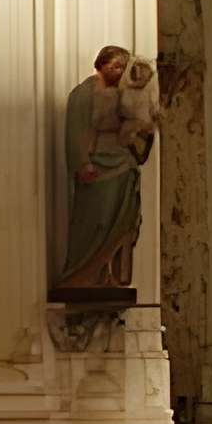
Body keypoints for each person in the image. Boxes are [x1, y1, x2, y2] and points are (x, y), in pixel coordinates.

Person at [55, 44, 146, 291]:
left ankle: (113, 275)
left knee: (123, 220)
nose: (118, 72)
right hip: (96, 164)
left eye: (122, 67)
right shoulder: (83, 94)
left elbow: (137, 126)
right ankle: (83, 274)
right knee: (96, 220)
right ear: (101, 65)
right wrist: (82, 162)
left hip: (121, 162)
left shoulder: (124, 96)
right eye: (114, 66)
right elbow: (75, 132)